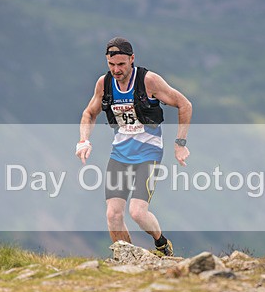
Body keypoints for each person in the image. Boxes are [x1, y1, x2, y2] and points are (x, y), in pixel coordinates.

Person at [76, 37, 192, 256]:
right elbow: (89, 113)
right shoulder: (104, 83)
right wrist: (83, 141)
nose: (116, 70)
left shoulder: (149, 81)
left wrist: (180, 143)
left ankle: (161, 243)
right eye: (111, 64)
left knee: (137, 212)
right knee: (113, 215)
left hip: (149, 153)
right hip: (119, 154)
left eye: (121, 64)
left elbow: (184, 104)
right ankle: (127, 260)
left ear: (132, 59)